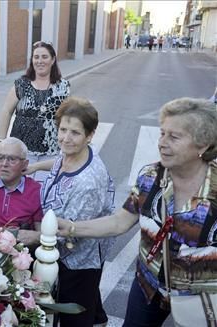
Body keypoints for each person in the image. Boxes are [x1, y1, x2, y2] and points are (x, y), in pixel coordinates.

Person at [55, 98, 217, 326]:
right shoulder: (151, 176)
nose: (162, 143)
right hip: (147, 287)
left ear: (203, 145)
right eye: (162, 133)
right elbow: (120, 222)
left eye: (174, 137)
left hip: (200, 299)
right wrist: (72, 227)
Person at [22, 97, 114, 326]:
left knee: (76, 309)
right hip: (66, 247)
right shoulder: (74, 154)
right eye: (62, 129)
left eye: (75, 132)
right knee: (89, 295)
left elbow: (73, 233)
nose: (65, 138)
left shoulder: (87, 183)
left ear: (90, 136)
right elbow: (60, 160)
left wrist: (33, 237)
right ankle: (99, 318)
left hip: (80, 258)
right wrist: (34, 166)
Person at [0, 41, 70, 183]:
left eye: (44, 57)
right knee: (19, 190)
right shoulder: (21, 84)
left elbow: (66, 119)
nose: (40, 61)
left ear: (53, 59)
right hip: (21, 151)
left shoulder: (63, 86)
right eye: (36, 57)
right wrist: (0, 141)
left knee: (42, 193)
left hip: (50, 152)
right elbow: (6, 111)